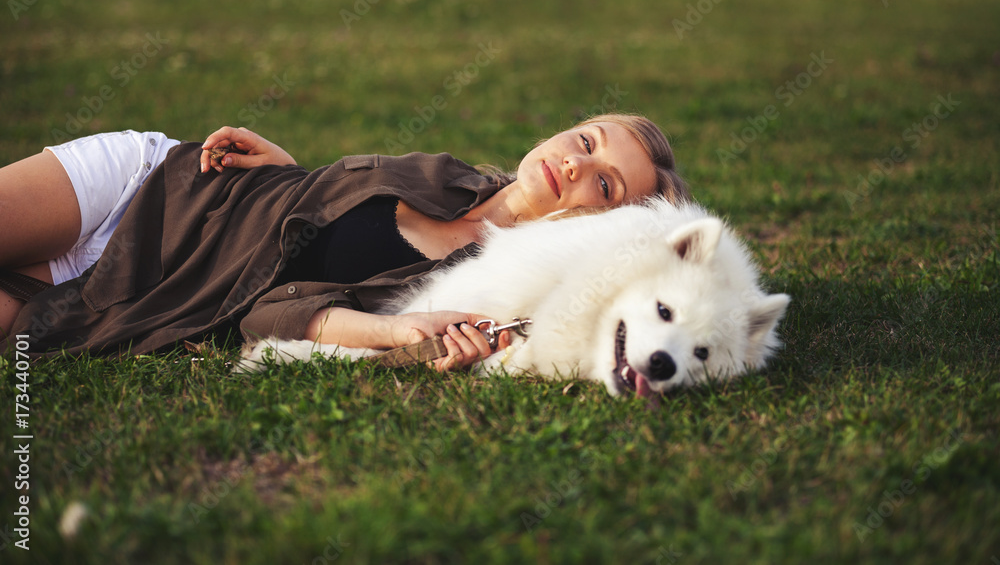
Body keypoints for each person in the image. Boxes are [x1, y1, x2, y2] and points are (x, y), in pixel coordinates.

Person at [0, 114, 689, 369]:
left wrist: (399, 335)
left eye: (604, 186)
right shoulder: (454, 177)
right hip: (157, 181)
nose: (576, 163)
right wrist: (291, 175)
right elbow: (327, 208)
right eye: (588, 141)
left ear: (605, 226)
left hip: (143, 299)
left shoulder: (474, 288)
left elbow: (267, 319)